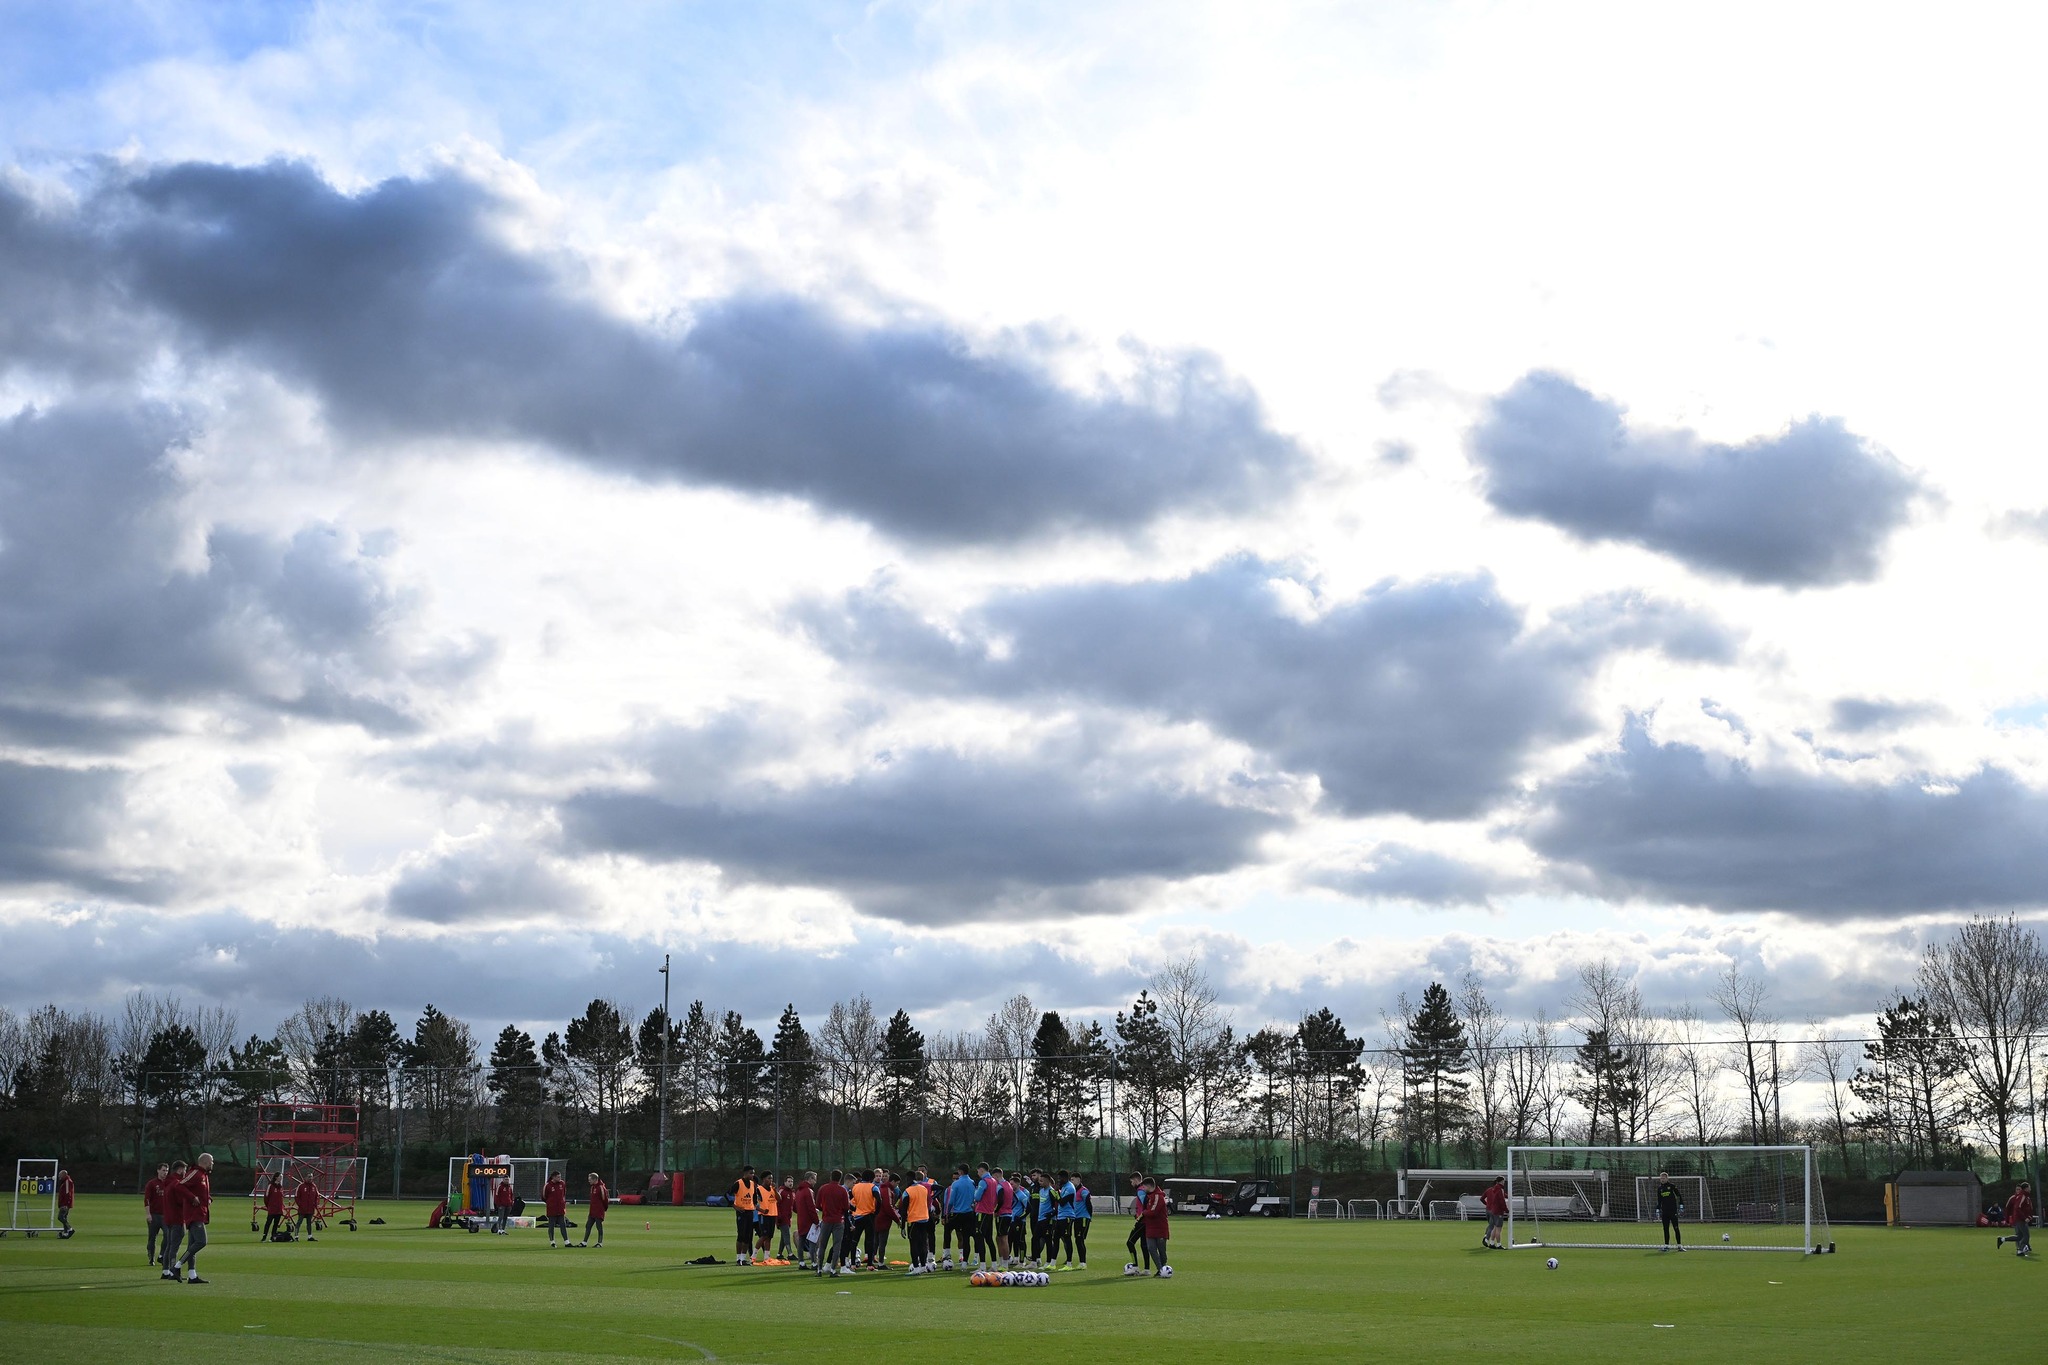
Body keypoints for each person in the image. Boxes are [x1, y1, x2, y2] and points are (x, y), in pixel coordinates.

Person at [181, 1153, 215, 1284]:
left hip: (200, 1213)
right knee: (201, 1242)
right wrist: (192, 1198)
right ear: (206, 1162)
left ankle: (192, 1275)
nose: (213, 1164)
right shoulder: (195, 1172)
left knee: (192, 1245)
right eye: (212, 1161)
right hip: (195, 1214)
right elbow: (180, 1185)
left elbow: (201, 1192)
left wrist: (208, 1199)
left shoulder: (203, 1175)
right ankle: (177, 1266)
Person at [942, 1164, 978, 1271]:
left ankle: (947, 1256)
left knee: (947, 1230)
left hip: (957, 1213)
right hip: (969, 1213)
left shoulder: (956, 1184)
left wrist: (946, 1214)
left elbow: (951, 1201)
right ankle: (964, 1263)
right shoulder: (973, 1183)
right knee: (966, 1238)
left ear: (960, 1172)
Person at [814, 1170, 849, 1276]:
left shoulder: (823, 1188)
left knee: (822, 1245)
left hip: (826, 1220)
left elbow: (817, 1204)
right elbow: (846, 1207)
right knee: (837, 1245)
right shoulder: (842, 1190)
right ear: (840, 1178)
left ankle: (819, 1269)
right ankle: (833, 1269)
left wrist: (825, 1209)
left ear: (830, 1176)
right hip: (838, 1221)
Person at [160, 1160, 191, 1279]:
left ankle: (166, 1271)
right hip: (177, 1218)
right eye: (184, 1170)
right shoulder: (177, 1184)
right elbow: (180, 1201)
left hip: (167, 1218)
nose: (185, 1172)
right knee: (174, 1246)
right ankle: (173, 1271)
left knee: (169, 1245)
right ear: (180, 1170)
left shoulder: (168, 1182)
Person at [900, 1166, 935, 1273]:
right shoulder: (924, 1189)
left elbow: (903, 1209)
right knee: (923, 1243)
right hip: (924, 1218)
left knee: (914, 1244)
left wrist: (902, 1227)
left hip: (913, 1220)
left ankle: (916, 1267)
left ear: (909, 1179)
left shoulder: (908, 1191)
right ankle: (924, 1266)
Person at [1138, 1175, 1171, 1276]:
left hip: (1160, 1227)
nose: (1143, 1189)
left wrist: (1143, 1213)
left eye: (1144, 1187)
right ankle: (1160, 1269)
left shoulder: (1158, 1196)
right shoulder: (1150, 1196)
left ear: (1149, 1186)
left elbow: (1153, 1212)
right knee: (1151, 1248)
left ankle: (1162, 1268)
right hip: (1150, 1228)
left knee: (1162, 1251)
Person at [846, 1169, 877, 1270]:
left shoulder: (855, 1187)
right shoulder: (873, 1187)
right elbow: (879, 1200)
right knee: (870, 1240)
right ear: (872, 1178)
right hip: (869, 1216)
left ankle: (853, 1264)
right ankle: (870, 1264)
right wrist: (876, 1212)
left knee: (855, 1240)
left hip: (858, 1216)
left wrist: (854, 1209)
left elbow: (848, 1201)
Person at [1996, 1181, 2034, 1258]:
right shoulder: (2022, 1196)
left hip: (2020, 1219)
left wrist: (2029, 1217)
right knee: (2026, 1236)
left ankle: (2002, 1239)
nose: (2030, 1188)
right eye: (2029, 1187)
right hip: (2020, 1219)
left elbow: (2028, 1209)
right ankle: (2020, 1249)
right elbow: (2017, 1208)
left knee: (2019, 1236)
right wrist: (2024, 1218)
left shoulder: (2026, 1197)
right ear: (2026, 1188)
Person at [729, 1166, 758, 1264]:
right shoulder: (738, 1183)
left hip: (750, 1211)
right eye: (750, 1173)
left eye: (753, 1173)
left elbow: (754, 1197)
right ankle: (738, 1258)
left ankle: (743, 1258)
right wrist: (735, 1206)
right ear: (745, 1173)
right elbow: (727, 1194)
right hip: (741, 1212)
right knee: (741, 1235)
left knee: (748, 1236)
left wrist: (754, 1205)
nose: (752, 1175)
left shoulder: (753, 1184)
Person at [1124, 1171, 1151, 1273]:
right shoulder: (1144, 1189)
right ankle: (1147, 1269)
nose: (1132, 1184)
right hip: (1147, 1221)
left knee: (1130, 1243)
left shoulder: (1140, 1190)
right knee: (1144, 1245)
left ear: (1136, 1180)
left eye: (1132, 1182)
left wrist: (1140, 1216)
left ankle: (1135, 1267)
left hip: (1142, 1221)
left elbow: (1145, 1204)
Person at [144, 1163, 170, 1264]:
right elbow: (147, 1199)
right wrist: (148, 1214)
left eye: (166, 1171)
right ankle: (151, 1258)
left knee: (168, 1235)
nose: (165, 1173)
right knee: (152, 1238)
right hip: (154, 1215)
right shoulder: (152, 1184)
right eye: (163, 1170)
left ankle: (162, 1255)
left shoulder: (169, 1183)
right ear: (158, 1171)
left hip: (166, 1215)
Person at [792, 1171, 819, 1268]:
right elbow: (811, 1208)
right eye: (814, 1179)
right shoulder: (808, 1191)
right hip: (809, 1221)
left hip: (801, 1219)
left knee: (801, 1241)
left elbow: (794, 1206)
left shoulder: (798, 1191)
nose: (815, 1182)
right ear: (810, 1179)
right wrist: (816, 1221)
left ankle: (801, 1262)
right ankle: (814, 1263)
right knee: (812, 1242)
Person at [872, 1169, 898, 1268]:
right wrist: (897, 1219)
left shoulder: (879, 1188)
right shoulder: (887, 1190)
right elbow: (888, 1206)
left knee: (875, 1241)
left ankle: (871, 1261)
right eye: (897, 1183)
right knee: (882, 1241)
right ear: (893, 1181)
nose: (896, 1185)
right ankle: (881, 1263)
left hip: (875, 1217)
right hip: (883, 1219)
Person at [1654, 1172, 1684, 1250]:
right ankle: (1666, 1246)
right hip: (1665, 1212)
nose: (1662, 1180)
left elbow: (1679, 1196)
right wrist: (1657, 1210)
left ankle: (1679, 1246)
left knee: (1676, 1228)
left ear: (1667, 1178)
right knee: (1665, 1228)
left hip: (1673, 1211)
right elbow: (1659, 1200)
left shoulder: (1672, 1186)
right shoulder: (1659, 1189)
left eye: (1664, 1178)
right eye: (1661, 1178)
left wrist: (1681, 1206)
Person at [542, 1170, 571, 1247]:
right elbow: (544, 1197)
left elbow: (563, 1194)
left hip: (561, 1208)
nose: (560, 1178)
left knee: (563, 1224)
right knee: (551, 1225)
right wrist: (551, 1203)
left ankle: (566, 1242)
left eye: (560, 1177)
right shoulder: (548, 1185)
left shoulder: (562, 1183)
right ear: (553, 1177)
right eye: (558, 1177)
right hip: (552, 1209)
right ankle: (552, 1242)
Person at [754, 1175, 779, 1260]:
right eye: (769, 1178)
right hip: (763, 1215)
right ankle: (753, 1255)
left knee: (769, 1237)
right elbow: (754, 1203)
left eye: (772, 1178)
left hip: (773, 1214)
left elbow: (779, 1199)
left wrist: (775, 1190)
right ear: (764, 1179)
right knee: (764, 1236)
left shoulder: (772, 1189)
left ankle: (766, 1256)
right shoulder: (759, 1189)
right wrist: (762, 1210)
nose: (771, 1180)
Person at [1480, 1176, 1509, 1249]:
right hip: (1497, 1211)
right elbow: (1501, 1200)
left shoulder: (1492, 1189)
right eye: (1503, 1181)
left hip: (1491, 1210)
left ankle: (1491, 1242)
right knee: (1498, 1228)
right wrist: (1506, 1210)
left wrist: (1487, 1204)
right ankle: (1498, 1244)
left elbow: (1482, 1198)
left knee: (1492, 1226)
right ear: (1500, 1182)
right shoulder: (1500, 1189)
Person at [581, 1172, 609, 1247]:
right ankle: (584, 1242)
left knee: (598, 1226)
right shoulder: (593, 1187)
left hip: (599, 1210)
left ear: (595, 1179)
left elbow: (605, 1199)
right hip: (592, 1210)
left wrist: (604, 1209)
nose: (589, 1181)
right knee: (588, 1225)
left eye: (590, 1179)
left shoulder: (601, 1187)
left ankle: (600, 1243)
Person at [1071, 1175, 1092, 1269]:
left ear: (1078, 1180)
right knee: (1078, 1240)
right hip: (1076, 1218)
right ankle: (1082, 1262)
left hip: (1083, 1218)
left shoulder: (1083, 1191)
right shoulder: (1074, 1191)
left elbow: (1088, 1204)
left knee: (1079, 1239)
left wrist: (1089, 1217)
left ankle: (1083, 1263)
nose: (1071, 1181)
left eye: (1072, 1179)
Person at [775, 1175, 797, 1260]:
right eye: (789, 1181)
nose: (790, 1183)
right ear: (785, 1182)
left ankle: (779, 1254)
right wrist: (778, 1216)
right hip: (782, 1217)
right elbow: (777, 1204)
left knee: (783, 1236)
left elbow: (794, 1207)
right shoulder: (782, 1191)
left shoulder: (792, 1193)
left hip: (788, 1218)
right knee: (786, 1235)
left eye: (791, 1181)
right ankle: (790, 1253)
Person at [296, 1173, 322, 1241]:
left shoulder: (314, 1186)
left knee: (309, 1223)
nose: (310, 1178)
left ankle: (310, 1236)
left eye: (311, 1177)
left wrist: (315, 1204)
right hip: (302, 1208)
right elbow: (297, 1196)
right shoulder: (301, 1186)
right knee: (299, 1222)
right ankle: (296, 1236)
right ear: (305, 1177)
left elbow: (317, 1196)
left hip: (310, 1208)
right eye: (309, 1177)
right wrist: (300, 1205)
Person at [261, 1174, 286, 1241]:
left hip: (279, 1209)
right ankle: (264, 1236)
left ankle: (273, 1237)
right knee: (268, 1222)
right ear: (276, 1177)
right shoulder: (270, 1186)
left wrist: (282, 1208)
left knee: (276, 1224)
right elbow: (266, 1197)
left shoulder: (280, 1187)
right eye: (280, 1177)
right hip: (272, 1209)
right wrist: (268, 1206)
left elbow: (281, 1198)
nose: (281, 1178)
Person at [55, 1168, 75, 1238]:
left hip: (65, 1203)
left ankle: (70, 1229)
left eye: (60, 1175)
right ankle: (66, 1233)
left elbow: (67, 1193)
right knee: (64, 1218)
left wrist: (66, 1204)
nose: (59, 1177)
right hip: (64, 1203)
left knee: (60, 1217)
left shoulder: (67, 1182)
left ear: (64, 1175)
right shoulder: (66, 1181)